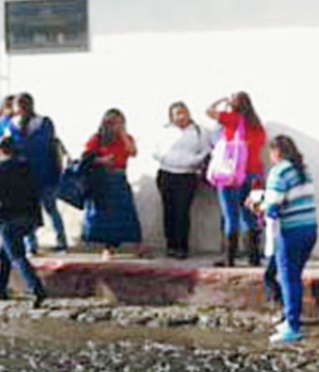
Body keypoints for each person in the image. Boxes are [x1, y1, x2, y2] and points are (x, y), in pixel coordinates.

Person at [257, 135, 318, 345]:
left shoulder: (279, 171)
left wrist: (258, 205)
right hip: (309, 228)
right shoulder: (303, 170)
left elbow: (273, 205)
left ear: (276, 152)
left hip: (290, 230)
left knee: (288, 278)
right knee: (294, 276)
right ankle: (291, 319)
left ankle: (292, 326)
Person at [0, 93, 67, 254]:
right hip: (46, 173)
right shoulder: (44, 123)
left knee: (30, 211)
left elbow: (5, 147)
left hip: (27, 176)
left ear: (18, 107)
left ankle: (32, 245)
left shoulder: (11, 126)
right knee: (50, 209)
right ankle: (60, 241)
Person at [0, 135, 47, 307]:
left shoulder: (2, 168)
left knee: (17, 255)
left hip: (8, 217)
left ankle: (37, 289)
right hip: (29, 217)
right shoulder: (27, 167)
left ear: (2, 150)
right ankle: (1, 289)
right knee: (4, 254)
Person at [206, 92, 267, 267]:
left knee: (231, 215)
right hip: (255, 175)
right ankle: (253, 257)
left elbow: (208, 111)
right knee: (252, 214)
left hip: (232, 175)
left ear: (234, 105)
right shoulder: (258, 126)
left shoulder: (232, 119)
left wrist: (222, 101)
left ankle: (229, 258)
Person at [153, 102, 212, 259]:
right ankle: (170, 245)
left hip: (187, 175)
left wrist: (192, 160)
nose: (180, 116)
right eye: (176, 114)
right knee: (169, 211)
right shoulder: (165, 131)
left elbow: (206, 150)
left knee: (182, 211)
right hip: (166, 174)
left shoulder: (199, 131)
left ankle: (182, 246)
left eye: (182, 112)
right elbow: (156, 150)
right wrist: (166, 158)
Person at [82, 109, 142, 260]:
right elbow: (86, 158)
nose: (116, 125)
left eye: (120, 122)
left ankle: (137, 245)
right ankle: (108, 248)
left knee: (127, 213)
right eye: (113, 122)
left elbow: (133, 152)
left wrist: (122, 134)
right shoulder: (97, 138)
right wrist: (101, 160)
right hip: (103, 179)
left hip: (119, 178)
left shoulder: (126, 138)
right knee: (106, 216)